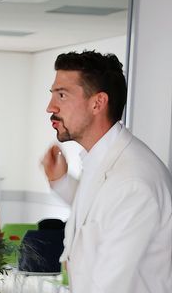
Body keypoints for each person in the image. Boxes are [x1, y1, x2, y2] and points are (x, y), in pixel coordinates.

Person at [42, 50, 172, 292]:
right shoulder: (107, 162)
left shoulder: (132, 180)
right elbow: (102, 213)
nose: (50, 107)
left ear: (98, 103)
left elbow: (110, 285)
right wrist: (61, 182)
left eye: (62, 95)